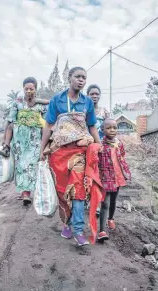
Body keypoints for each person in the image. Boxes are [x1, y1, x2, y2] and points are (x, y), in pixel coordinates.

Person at [40, 66, 104, 246]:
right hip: (58, 153)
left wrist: (99, 146)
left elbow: (91, 126)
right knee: (62, 190)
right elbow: (48, 126)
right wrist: (41, 150)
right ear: (69, 78)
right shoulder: (57, 100)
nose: (81, 80)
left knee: (78, 189)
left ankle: (78, 229)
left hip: (79, 152)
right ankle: (66, 223)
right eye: (78, 76)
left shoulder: (87, 102)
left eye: (84, 77)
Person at [8, 77, 48, 205]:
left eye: (32, 88)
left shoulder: (41, 105)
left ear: (36, 89)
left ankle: (28, 192)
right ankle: (25, 193)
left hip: (35, 140)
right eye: (26, 89)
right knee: (21, 165)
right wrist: (6, 142)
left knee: (32, 164)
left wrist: (47, 142)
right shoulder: (17, 104)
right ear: (23, 89)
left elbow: (47, 124)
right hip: (19, 140)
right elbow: (10, 122)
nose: (29, 91)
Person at [97, 118, 131, 242]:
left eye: (114, 128)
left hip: (117, 175)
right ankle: (101, 231)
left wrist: (125, 172)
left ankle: (111, 218)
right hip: (106, 177)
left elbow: (122, 156)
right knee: (105, 203)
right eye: (108, 128)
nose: (112, 130)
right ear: (102, 130)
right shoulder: (100, 145)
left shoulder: (119, 143)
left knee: (113, 200)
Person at [86, 84, 109, 216]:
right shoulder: (84, 110)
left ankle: (97, 203)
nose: (94, 96)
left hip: (101, 147)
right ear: (87, 95)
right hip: (86, 147)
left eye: (96, 94)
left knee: (99, 174)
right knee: (88, 174)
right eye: (92, 94)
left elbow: (109, 128)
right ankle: (87, 200)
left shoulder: (104, 111)